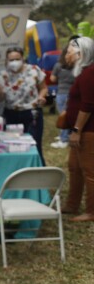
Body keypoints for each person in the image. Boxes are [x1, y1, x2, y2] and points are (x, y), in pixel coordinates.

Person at [0, 46, 48, 162]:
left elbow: (43, 88)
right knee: (13, 147)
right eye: (11, 60)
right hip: (11, 115)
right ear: (6, 61)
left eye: (17, 59)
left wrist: (41, 97)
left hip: (32, 113)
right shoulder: (3, 75)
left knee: (34, 146)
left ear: (23, 58)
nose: (14, 62)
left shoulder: (34, 70)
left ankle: (38, 172)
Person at [63, 36, 94, 222]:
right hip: (79, 130)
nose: (66, 55)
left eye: (69, 51)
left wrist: (77, 130)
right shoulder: (82, 73)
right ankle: (72, 204)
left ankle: (92, 211)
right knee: (74, 167)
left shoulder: (89, 73)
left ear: (80, 53)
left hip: (87, 131)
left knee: (90, 171)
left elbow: (88, 104)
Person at [50, 40, 78, 149]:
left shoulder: (58, 65)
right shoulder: (76, 66)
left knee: (63, 116)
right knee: (70, 116)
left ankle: (64, 139)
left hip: (61, 93)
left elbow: (52, 78)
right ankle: (66, 134)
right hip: (72, 94)